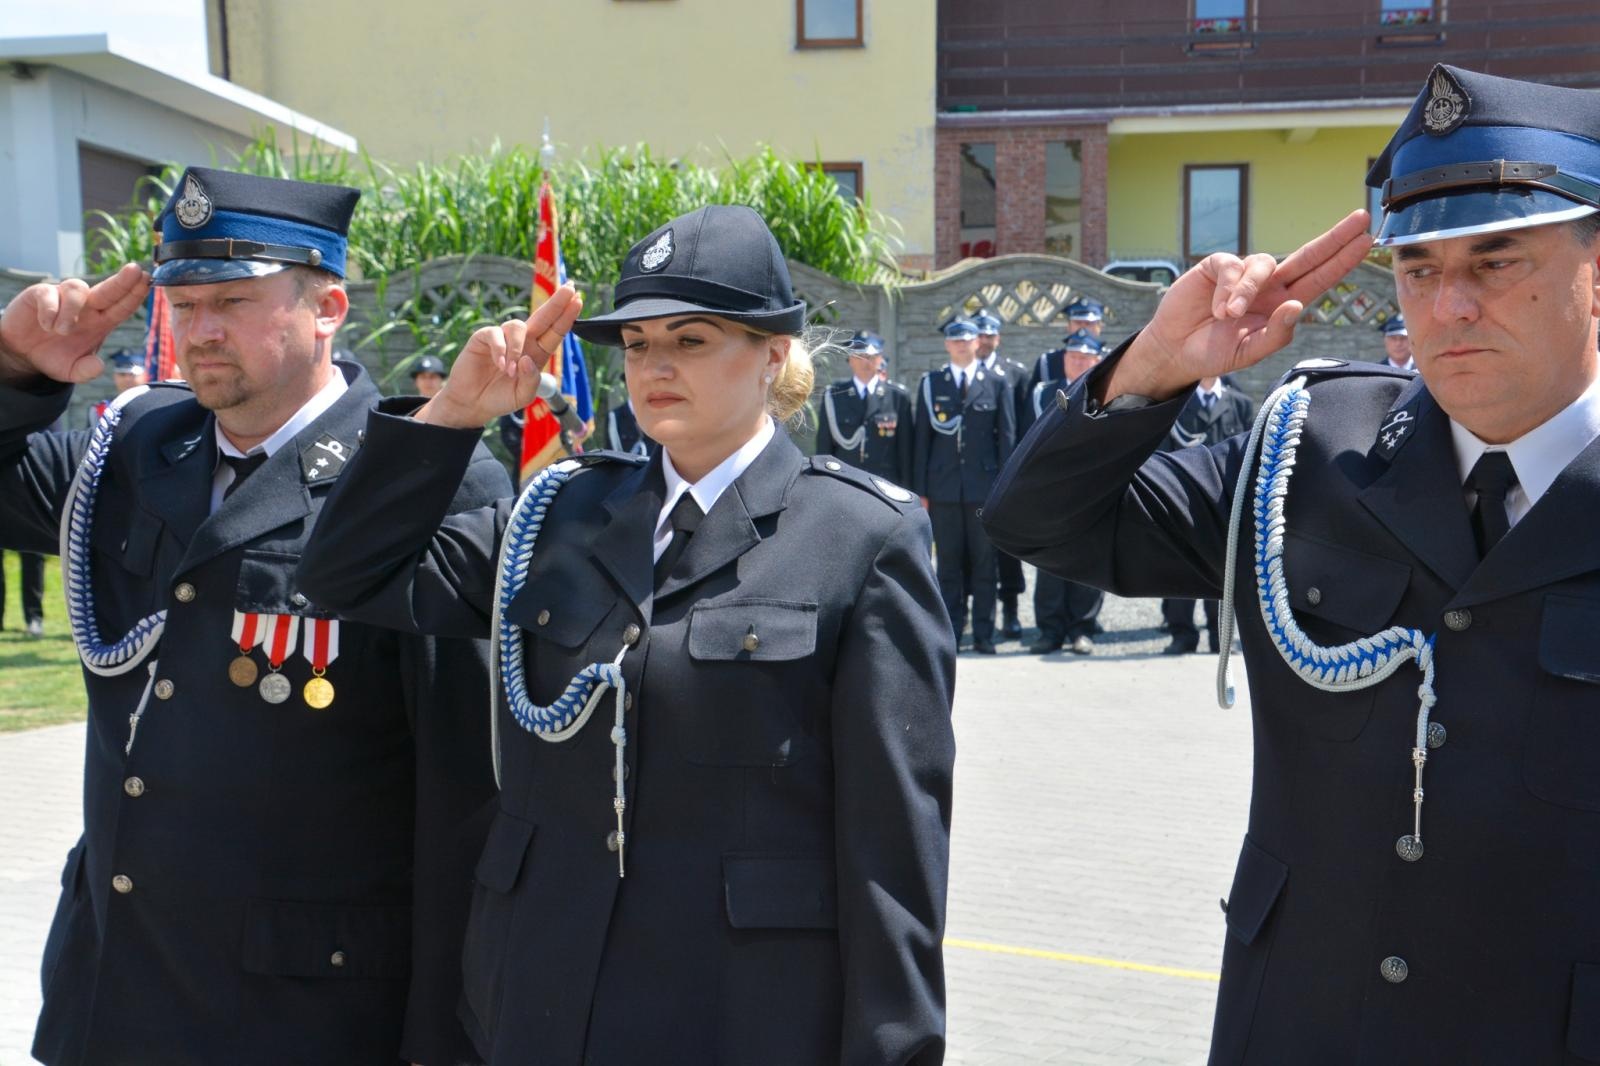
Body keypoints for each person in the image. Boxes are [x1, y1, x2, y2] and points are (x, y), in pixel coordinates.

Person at [984, 64, 1600, 1064]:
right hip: (1305, 1023)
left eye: (1494, 263)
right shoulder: (1309, 449)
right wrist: (1155, 368)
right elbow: (1043, 524)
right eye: (1418, 269)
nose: (1446, 309)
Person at [296, 204, 957, 1065]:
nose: (655, 367)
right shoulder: (554, 512)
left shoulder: (858, 538)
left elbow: (892, 847)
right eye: (639, 345)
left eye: (690, 340)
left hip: (740, 1010)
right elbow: (342, 575)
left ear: (773, 354)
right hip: (540, 995)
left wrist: (892, 1049)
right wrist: (454, 415)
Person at [0, 166, 509, 1066]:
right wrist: (13, 370)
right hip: (116, 988)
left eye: (231, 302)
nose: (199, 333)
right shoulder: (137, 445)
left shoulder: (423, 476)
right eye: (185, 305)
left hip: (302, 1009)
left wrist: (440, 1037)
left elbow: (460, 789)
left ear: (328, 308)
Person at [912, 316, 1016, 653]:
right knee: (948, 567)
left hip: (983, 489)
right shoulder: (932, 383)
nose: (960, 344)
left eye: (967, 338)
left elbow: (1007, 440)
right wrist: (921, 491)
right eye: (954, 339)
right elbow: (921, 442)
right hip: (943, 490)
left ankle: (985, 634)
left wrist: (1005, 489)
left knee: (986, 566)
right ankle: (950, 634)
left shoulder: (998, 383)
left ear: (977, 343)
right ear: (946, 345)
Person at [1021, 331, 1107, 655]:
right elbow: (1026, 436)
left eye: (1086, 358)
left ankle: (1082, 630)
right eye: (1074, 356)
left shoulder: (1109, 389)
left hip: (1090, 488)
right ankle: (1050, 630)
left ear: (1097, 360)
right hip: (1049, 488)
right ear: (1064, 358)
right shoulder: (1041, 391)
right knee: (1049, 561)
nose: (1079, 361)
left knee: (1087, 560)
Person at [1156, 375, 1255, 654]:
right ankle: (1182, 634)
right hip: (1184, 497)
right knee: (1179, 568)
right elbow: (1163, 452)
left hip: (1224, 501)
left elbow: (1248, 450)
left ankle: (1220, 637)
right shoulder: (1176, 402)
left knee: (1222, 572)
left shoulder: (1240, 403)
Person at [974, 311, 1028, 638]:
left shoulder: (1015, 374)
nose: (984, 340)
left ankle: (1010, 612)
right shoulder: (962, 373)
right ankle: (973, 614)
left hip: (1005, 471)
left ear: (998, 338)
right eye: (979, 334)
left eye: (989, 335)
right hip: (972, 472)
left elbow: (1021, 427)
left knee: (1006, 549)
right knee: (973, 550)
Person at [814, 329, 913, 487]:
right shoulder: (834, 396)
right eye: (859, 356)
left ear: (880, 359)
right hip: (845, 483)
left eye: (871, 357)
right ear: (850, 359)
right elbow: (824, 448)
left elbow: (906, 452)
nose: (865, 361)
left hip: (886, 485)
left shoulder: (898, 397)